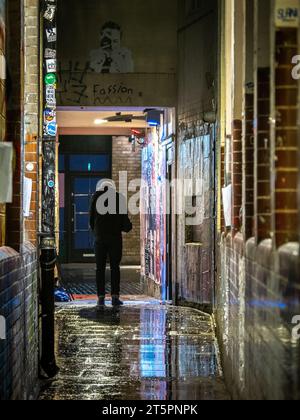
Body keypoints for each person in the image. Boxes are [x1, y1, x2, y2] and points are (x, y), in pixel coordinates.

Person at [89, 181, 132, 308]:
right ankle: (115, 297)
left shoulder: (95, 198)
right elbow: (125, 221)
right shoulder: (119, 198)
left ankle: (100, 297)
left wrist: (97, 231)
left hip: (100, 238)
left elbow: (91, 219)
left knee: (99, 268)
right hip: (115, 239)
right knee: (115, 267)